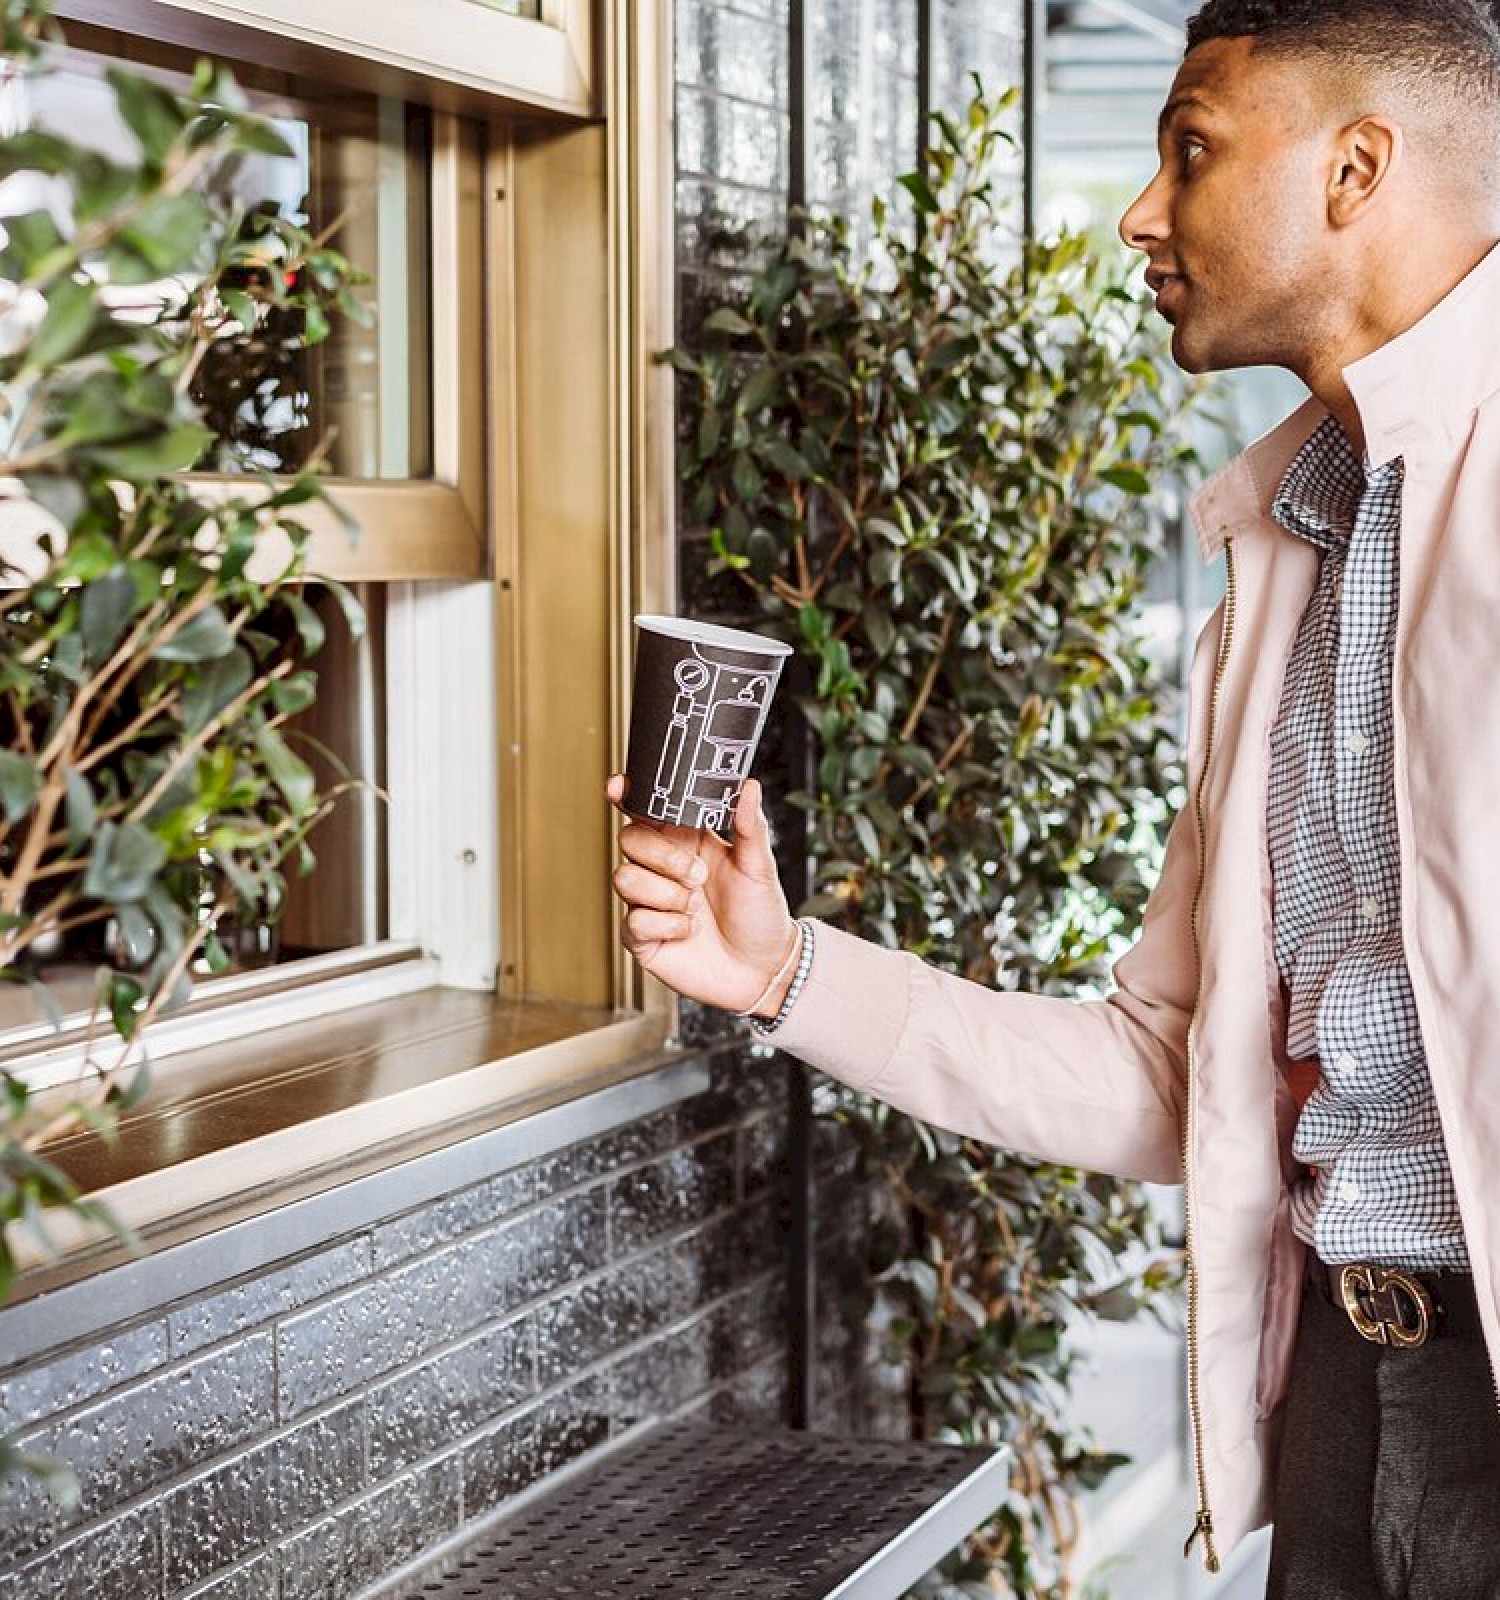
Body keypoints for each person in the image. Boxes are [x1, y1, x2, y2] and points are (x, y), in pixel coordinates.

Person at [608, 2, 1500, 1594]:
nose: (1143, 215)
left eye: (1193, 149)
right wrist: (782, 972)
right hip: (1351, 1402)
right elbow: (1174, 1070)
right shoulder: (1291, 549)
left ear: (1356, 168)